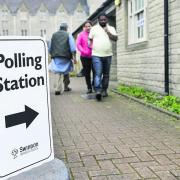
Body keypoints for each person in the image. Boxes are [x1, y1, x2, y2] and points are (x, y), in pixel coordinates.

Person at [88, 13, 118, 101]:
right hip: (96, 55)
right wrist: (90, 44)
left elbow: (115, 39)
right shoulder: (93, 28)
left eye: (104, 19)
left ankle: (104, 90)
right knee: (98, 73)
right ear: (98, 20)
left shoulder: (111, 28)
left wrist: (107, 31)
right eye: (101, 20)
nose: (103, 21)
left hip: (108, 55)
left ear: (107, 20)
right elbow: (90, 39)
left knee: (106, 74)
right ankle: (98, 91)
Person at [49, 23, 77, 95]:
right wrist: (74, 57)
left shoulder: (54, 35)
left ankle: (57, 89)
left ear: (60, 28)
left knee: (57, 71)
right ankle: (66, 86)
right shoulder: (68, 35)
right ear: (66, 28)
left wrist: (51, 54)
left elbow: (50, 47)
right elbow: (73, 47)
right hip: (66, 56)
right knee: (66, 71)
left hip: (56, 56)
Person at [76, 20, 94, 94]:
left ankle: (95, 85)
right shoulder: (81, 34)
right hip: (84, 57)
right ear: (84, 27)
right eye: (86, 26)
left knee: (96, 72)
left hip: (94, 56)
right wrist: (83, 51)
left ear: (91, 26)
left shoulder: (94, 34)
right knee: (87, 73)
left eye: (89, 26)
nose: (88, 27)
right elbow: (78, 44)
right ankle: (89, 88)